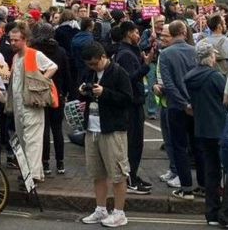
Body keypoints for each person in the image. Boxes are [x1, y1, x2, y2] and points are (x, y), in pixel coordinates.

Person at [78, 42, 133, 228]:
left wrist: (105, 93)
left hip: (113, 129)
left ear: (103, 57)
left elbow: (127, 100)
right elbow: (85, 94)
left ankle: (119, 213)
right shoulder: (90, 73)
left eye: (94, 63)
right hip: (92, 129)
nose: (92, 67)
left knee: (118, 173)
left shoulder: (118, 72)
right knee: (97, 173)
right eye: (88, 64)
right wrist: (82, 93)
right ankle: (100, 209)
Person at [184, 41, 228, 226]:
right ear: (210, 57)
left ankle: (211, 212)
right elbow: (227, 99)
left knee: (211, 172)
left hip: (201, 129)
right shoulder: (215, 77)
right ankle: (225, 214)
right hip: (219, 128)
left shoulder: (190, 77)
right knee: (225, 173)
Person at [9, 23, 57, 183]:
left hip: (32, 104)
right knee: (23, 141)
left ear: (25, 40)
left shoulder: (34, 54)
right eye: (11, 40)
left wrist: (42, 81)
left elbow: (52, 66)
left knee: (33, 142)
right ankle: (30, 172)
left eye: (16, 40)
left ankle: (32, 176)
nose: (12, 43)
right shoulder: (15, 57)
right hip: (18, 105)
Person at [157, 20, 199, 199]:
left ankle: (186, 187)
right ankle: (203, 185)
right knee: (197, 146)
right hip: (195, 107)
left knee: (179, 147)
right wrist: (191, 103)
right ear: (183, 32)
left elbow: (168, 84)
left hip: (175, 107)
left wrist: (182, 104)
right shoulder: (195, 51)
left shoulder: (165, 54)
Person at [112, 20, 152, 195]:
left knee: (135, 143)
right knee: (133, 144)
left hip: (135, 102)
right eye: (136, 33)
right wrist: (145, 65)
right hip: (132, 104)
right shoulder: (126, 54)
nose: (138, 36)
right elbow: (128, 79)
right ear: (128, 33)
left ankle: (133, 175)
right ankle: (130, 179)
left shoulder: (129, 52)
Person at [32, 22, 70, 176]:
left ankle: (45, 162)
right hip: (57, 93)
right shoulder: (60, 51)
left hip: (40, 93)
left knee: (44, 129)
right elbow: (67, 74)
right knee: (57, 129)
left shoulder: (35, 51)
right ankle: (60, 162)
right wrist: (66, 92)